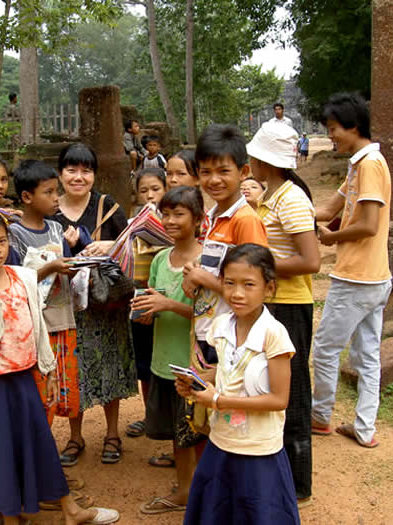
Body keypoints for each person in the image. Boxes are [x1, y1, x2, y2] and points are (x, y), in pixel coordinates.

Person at [0, 209, 119, 525]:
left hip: (25, 377)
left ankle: (69, 510)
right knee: (2, 452)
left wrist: (49, 369)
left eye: (1, 241)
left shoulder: (24, 277)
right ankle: (12, 516)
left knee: (40, 444)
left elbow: (38, 327)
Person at [176, 244, 301, 525]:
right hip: (221, 442)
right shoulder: (221, 325)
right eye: (229, 283)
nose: (237, 293)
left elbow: (279, 399)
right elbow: (227, 371)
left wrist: (218, 401)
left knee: (256, 513)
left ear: (269, 288)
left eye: (249, 284)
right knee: (218, 511)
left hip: (258, 450)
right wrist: (196, 383)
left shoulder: (274, 334)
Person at [310, 93, 392, 449]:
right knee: (367, 356)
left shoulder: (370, 164)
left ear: (353, 126)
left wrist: (332, 239)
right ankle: (364, 427)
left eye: (333, 129)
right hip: (375, 277)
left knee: (326, 349)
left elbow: (369, 225)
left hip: (356, 277)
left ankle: (319, 416)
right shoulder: (358, 165)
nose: (330, 136)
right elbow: (328, 210)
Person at [247, 120, 321, 507]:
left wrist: (259, 266)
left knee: (292, 391)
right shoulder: (270, 195)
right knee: (272, 384)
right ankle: (279, 473)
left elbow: (311, 260)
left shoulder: (291, 199)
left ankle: (298, 482)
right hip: (274, 300)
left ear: (265, 160)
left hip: (290, 304)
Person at [52, 143, 137, 466]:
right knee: (73, 368)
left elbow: (132, 245)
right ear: (60, 173)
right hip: (66, 304)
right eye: (71, 170)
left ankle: (112, 433)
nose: (78, 177)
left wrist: (109, 245)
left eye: (86, 171)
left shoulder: (107, 206)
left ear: (94, 175)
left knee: (111, 364)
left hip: (106, 304)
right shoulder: (50, 209)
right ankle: (75, 436)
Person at [132, 187, 206, 516]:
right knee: (179, 433)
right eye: (166, 214)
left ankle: (203, 491)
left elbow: (210, 315)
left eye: (179, 214)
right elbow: (154, 299)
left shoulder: (206, 261)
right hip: (164, 361)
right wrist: (147, 312)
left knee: (199, 429)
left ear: (198, 219)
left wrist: (169, 305)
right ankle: (185, 489)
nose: (171, 221)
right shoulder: (161, 259)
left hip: (193, 363)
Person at [182, 124, 268, 369]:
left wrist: (203, 278)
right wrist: (195, 271)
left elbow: (254, 287)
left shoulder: (245, 220)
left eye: (223, 171)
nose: (214, 180)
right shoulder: (212, 217)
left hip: (233, 336)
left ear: (243, 172)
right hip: (209, 330)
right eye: (206, 172)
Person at [8, 160, 81, 424]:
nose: (56, 198)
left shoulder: (56, 229)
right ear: (27, 197)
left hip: (63, 318)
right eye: (48, 192)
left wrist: (77, 266)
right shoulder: (13, 234)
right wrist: (50, 267)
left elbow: (68, 266)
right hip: (35, 324)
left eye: (56, 191)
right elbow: (14, 279)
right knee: (41, 391)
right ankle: (40, 444)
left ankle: (67, 439)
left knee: (65, 388)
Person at [125, 168, 168, 440]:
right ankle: (149, 416)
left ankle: (171, 418)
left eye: (155, 189)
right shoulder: (132, 224)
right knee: (145, 365)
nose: (150, 195)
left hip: (170, 303)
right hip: (141, 300)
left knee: (169, 362)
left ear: (166, 189)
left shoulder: (176, 220)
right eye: (144, 190)